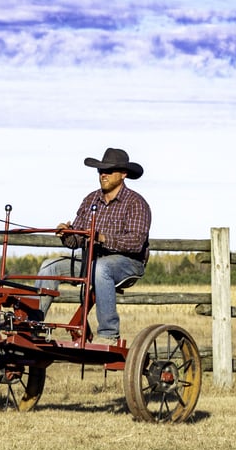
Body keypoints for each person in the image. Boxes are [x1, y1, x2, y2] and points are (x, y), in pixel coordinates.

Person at [35, 148, 151, 345]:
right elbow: (77, 242)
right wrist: (68, 234)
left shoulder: (136, 203)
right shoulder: (90, 199)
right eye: (100, 171)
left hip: (128, 263)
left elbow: (135, 243)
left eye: (108, 171)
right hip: (92, 259)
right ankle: (33, 324)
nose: (102, 175)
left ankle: (108, 334)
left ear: (123, 175)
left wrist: (102, 237)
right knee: (49, 266)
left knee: (101, 267)